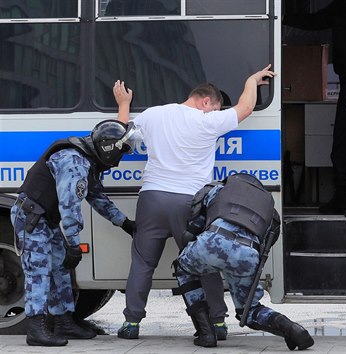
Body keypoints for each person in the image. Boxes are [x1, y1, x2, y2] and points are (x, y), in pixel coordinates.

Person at [113, 64, 276, 340]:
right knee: (203, 262)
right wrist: (250, 80)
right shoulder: (206, 120)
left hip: (151, 199)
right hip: (189, 203)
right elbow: (245, 108)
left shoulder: (154, 114)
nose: (216, 114)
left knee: (142, 263)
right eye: (215, 108)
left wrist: (123, 103)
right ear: (205, 101)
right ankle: (218, 322)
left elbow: (122, 136)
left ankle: (131, 324)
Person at [10, 120, 137, 346]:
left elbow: (98, 199)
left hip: (44, 219)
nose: (118, 162)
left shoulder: (87, 160)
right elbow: (69, 207)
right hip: (32, 219)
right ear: (108, 149)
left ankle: (64, 322)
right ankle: (35, 328)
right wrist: (74, 244)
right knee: (38, 270)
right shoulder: (74, 161)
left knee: (61, 268)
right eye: (120, 154)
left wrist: (125, 223)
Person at [172, 173, 315, 350]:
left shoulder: (216, 189)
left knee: (183, 268)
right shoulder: (270, 209)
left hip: (213, 242)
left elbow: (191, 232)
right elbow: (266, 247)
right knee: (249, 311)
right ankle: (292, 328)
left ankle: (206, 332)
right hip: (248, 254)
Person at [284, 0, 346, 216]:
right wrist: (285, 12)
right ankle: (342, 194)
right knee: (341, 144)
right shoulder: (341, 8)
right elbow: (313, 21)